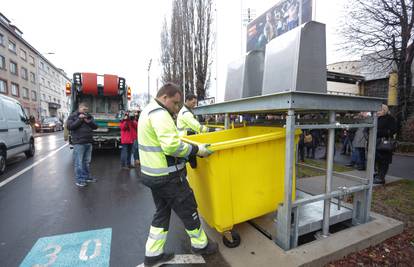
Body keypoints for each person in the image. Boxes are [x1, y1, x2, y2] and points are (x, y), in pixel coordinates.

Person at [138, 83, 217, 267]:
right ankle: (201, 245)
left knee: (162, 213)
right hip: (168, 177)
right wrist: (197, 150)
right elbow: (171, 146)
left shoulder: (147, 111)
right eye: (175, 103)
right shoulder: (159, 114)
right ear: (165, 97)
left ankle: (153, 254)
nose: (177, 107)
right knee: (188, 208)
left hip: (152, 175)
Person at [67, 103, 98, 187]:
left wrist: (89, 122)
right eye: (84, 110)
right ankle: (79, 180)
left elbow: (95, 126)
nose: (85, 111)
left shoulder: (89, 116)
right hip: (79, 143)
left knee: (86, 162)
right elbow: (70, 126)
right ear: (79, 108)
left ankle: (87, 177)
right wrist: (80, 120)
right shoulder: (73, 116)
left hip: (88, 142)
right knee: (79, 163)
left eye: (86, 110)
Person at [374, 104, 397, 185]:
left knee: (384, 161)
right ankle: (378, 175)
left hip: (384, 143)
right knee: (377, 160)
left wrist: (378, 132)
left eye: (379, 110)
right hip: (376, 142)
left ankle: (381, 178)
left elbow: (393, 130)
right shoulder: (376, 118)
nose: (377, 112)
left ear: (384, 110)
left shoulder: (390, 118)